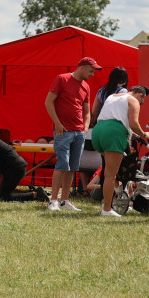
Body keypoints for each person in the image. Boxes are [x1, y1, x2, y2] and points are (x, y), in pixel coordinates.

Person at [45, 57, 101, 212]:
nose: (92, 74)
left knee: (72, 167)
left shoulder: (86, 87)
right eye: (91, 71)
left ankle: (65, 200)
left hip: (79, 132)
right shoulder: (62, 79)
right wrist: (57, 123)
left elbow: (87, 111)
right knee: (62, 165)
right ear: (82, 67)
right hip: (63, 131)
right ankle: (53, 201)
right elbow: (48, 102)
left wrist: (85, 128)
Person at [91, 85, 149, 217]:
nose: (141, 104)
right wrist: (144, 134)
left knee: (112, 171)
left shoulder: (112, 96)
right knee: (110, 175)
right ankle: (107, 209)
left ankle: (118, 195)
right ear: (140, 95)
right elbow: (134, 124)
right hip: (114, 132)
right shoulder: (133, 100)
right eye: (142, 102)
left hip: (98, 131)